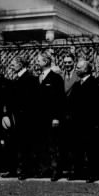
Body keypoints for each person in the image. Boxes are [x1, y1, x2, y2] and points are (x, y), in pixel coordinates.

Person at [1, 56, 37, 179]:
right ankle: (13, 169)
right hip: (13, 117)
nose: (11, 66)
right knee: (13, 144)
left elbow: (30, 101)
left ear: (21, 64)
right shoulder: (15, 78)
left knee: (24, 145)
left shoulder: (30, 79)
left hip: (24, 118)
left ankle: (24, 171)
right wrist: (6, 114)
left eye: (13, 64)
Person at [33, 50, 65, 181]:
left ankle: (55, 170)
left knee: (53, 145)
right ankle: (44, 169)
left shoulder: (56, 78)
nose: (36, 62)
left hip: (51, 118)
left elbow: (59, 100)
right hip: (39, 119)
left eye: (39, 60)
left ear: (45, 62)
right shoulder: (38, 78)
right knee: (42, 144)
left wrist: (56, 117)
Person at [69, 60, 98, 181]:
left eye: (79, 67)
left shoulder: (94, 84)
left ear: (86, 70)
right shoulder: (76, 84)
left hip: (89, 123)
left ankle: (92, 174)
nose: (76, 69)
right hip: (77, 123)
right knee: (77, 149)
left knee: (91, 150)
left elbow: (97, 105)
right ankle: (78, 172)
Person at [60, 53, 80, 176]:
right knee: (64, 142)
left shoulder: (78, 75)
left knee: (75, 142)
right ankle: (65, 167)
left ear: (74, 62)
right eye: (65, 62)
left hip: (75, 113)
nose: (67, 64)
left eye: (69, 62)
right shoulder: (60, 76)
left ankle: (75, 168)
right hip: (63, 113)